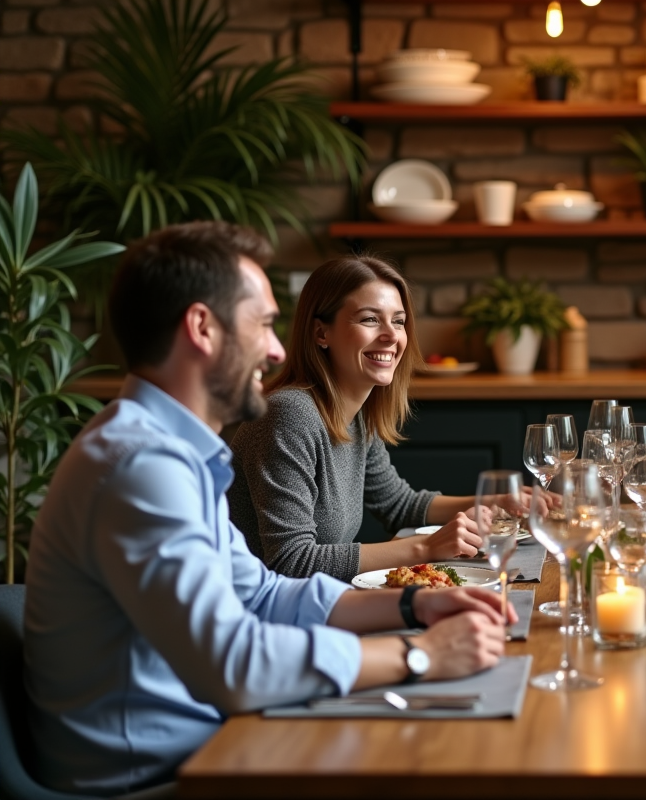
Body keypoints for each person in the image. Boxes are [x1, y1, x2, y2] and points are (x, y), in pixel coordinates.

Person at [22, 223, 514, 795]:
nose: (279, 348)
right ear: (202, 328)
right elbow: (235, 664)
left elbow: (262, 593)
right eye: (262, 324)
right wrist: (420, 655)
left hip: (211, 735)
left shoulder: (172, 450)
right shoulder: (141, 467)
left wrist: (414, 604)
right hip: (156, 773)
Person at [227, 254, 510, 582]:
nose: (391, 335)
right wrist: (424, 548)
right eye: (370, 320)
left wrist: (497, 502)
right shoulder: (289, 415)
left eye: (399, 321)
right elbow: (292, 560)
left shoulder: (356, 414)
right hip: (268, 619)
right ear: (321, 333)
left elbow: (398, 503)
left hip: (318, 603)